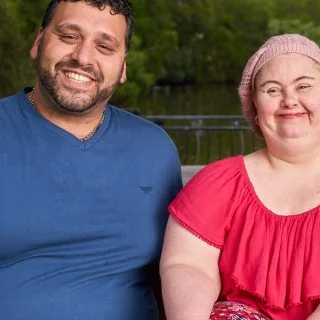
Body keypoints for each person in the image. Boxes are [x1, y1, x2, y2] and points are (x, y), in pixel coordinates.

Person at [0, 1, 182, 319]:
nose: (83, 58)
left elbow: (176, 273)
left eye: (104, 46)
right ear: (38, 43)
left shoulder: (155, 150)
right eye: (69, 36)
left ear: (123, 67)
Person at [160, 33, 320, 320]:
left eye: (304, 86)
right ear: (255, 109)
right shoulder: (217, 184)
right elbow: (187, 264)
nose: (289, 100)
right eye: (272, 90)